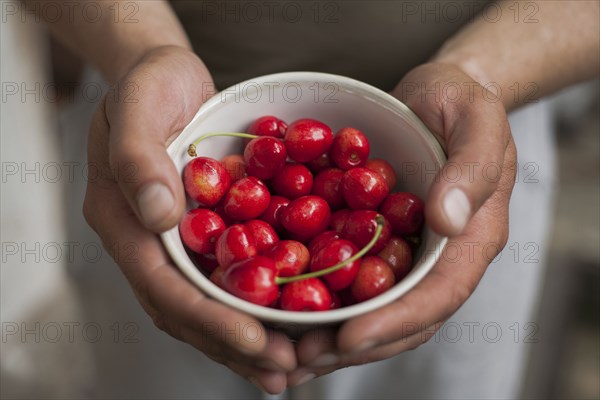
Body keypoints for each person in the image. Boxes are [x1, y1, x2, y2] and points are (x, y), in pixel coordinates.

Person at [22, 0, 599, 397]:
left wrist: (482, 73)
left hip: (468, 135)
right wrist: (134, 48)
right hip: (148, 121)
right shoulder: (250, 193)